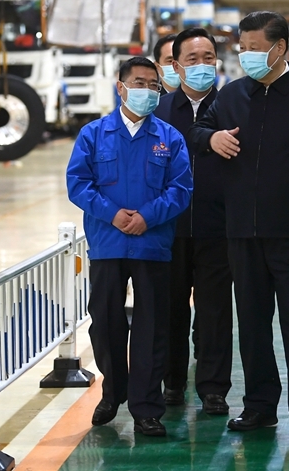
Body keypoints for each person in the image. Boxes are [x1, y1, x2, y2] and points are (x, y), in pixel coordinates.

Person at [188, 11, 289, 444]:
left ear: (279, 49)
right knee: (253, 325)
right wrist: (211, 139)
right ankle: (260, 406)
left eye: (255, 48)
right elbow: (197, 130)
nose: (247, 55)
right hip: (243, 234)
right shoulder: (232, 95)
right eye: (242, 48)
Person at [67, 56, 193, 437]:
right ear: (120, 87)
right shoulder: (94, 134)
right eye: (139, 83)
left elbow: (181, 189)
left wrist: (147, 217)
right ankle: (113, 391)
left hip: (152, 245)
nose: (148, 91)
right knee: (106, 323)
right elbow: (78, 183)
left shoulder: (170, 138)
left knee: (152, 328)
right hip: (108, 243)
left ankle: (146, 407)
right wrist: (112, 214)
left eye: (154, 85)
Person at [154, 27, 233, 415]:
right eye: (192, 59)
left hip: (219, 227)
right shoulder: (160, 111)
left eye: (208, 58)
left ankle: (214, 387)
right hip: (169, 228)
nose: (202, 65)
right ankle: (172, 381)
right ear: (176, 65)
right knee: (170, 308)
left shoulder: (234, 105)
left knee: (215, 310)